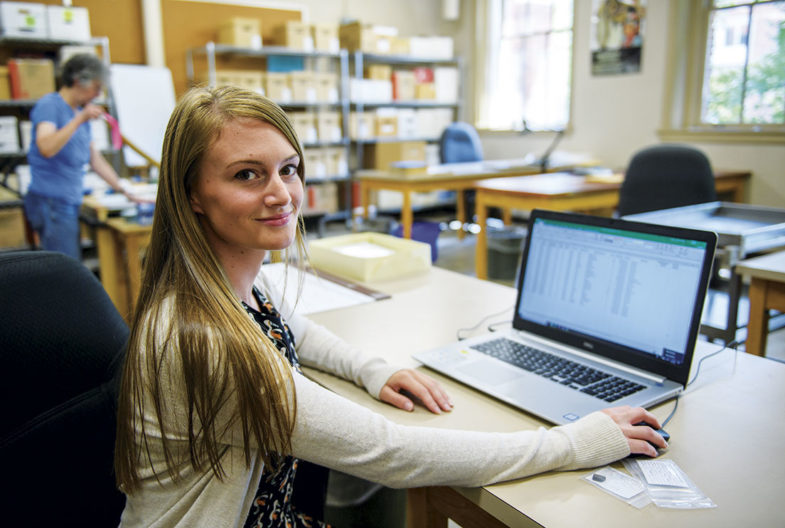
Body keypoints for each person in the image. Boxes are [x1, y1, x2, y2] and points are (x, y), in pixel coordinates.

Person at [114, 86, 667, 527]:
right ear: (190, 194)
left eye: (288, 168)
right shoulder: (199, 339)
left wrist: (373, 370)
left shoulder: (226, 280)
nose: (282, 193)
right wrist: (571, 442)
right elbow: (391, 452)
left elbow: (293, 330)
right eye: (246, 175)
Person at [24, 53, 137, 260]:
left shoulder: (79, 113)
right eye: (95, 87)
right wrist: (79, 119)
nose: (97, 94)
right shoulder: (51, 106)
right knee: (64, 268)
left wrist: (121, 188)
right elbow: (46, 147)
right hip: (52, 203)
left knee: (69, 264)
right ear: (78, 81)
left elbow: (95, 159)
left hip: (68, 201)